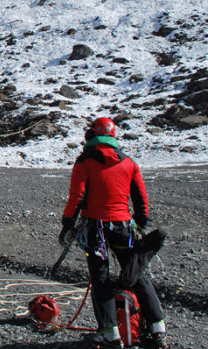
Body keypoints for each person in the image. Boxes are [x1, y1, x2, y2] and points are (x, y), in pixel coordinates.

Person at [59, 117, 168, 349]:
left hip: (95, 228)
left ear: (91, 136)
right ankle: (157, 327)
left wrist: (67, 224)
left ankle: (110, 334)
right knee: (134, 272)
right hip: (123, 226)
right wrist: (141, 222)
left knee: (100, 279)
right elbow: (140, 197)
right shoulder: (128, 162)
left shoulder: (84, 161)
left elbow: (76, 197)